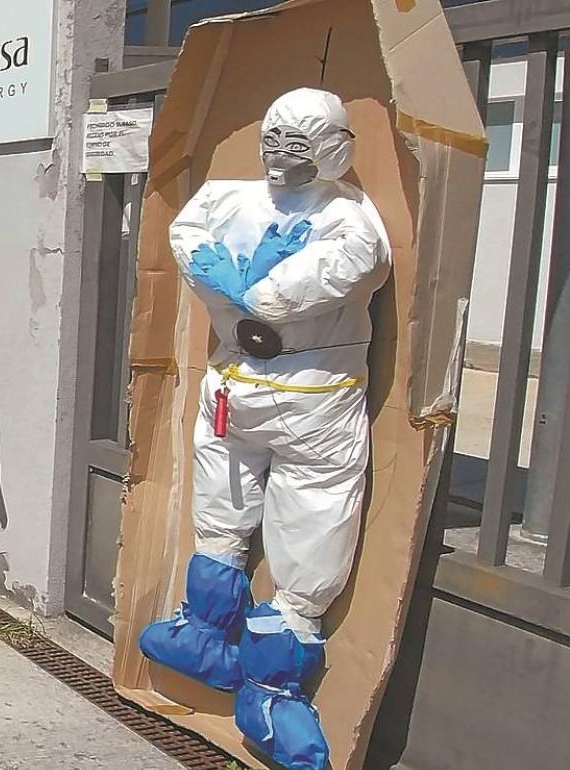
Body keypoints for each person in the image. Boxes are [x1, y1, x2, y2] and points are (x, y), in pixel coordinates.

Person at [138, 89, 391, 770]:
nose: (283, 159)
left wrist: (252, 287)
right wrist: (228, 280)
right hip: (236, 385)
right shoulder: (230, 198)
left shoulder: (350, 219)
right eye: (275, 141)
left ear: (333, 148)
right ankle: (206, 634)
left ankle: (274, 687)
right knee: (219, 514)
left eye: (298, 145)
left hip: (315, 396)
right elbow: (186, 236)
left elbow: (318, 280)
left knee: (311, 530)